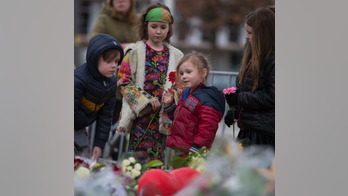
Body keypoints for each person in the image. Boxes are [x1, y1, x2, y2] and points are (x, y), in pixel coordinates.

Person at [115, 3, 184, 162]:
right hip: (140, 116)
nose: (158, 31)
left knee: (157, 162)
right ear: (146, 26)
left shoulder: (177, 56)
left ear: (169, 28)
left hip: (163, 117)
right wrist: (144, 101)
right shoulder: (134, 52)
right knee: (135, 163)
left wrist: (171, 97)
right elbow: (123, 81)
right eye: (154, 26)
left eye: (163, 27)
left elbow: (180, 85)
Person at [89, 0, 140, 159]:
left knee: (120, 129)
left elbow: (146, 44)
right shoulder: (104, 19)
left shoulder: (139, 20)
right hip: (103, 85)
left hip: (129, 86)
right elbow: (94, 41)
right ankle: (91, 160)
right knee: (99, 126)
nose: (120, 1)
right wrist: (122, 46)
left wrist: (133, 47)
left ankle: (115, 161)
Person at [224, 7, 275, 149]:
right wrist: (233, 110)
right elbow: (242, 88)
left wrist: (239, 99)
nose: (246, 36)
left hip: (264, 134)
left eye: (250, 33)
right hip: (248, 129)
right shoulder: (251, 58)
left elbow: (272, 96)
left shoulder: (273, 61)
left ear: (263, 35)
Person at [163, 51, 225, 157]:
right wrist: (169, 106)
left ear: (203, 73)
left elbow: (207, 127)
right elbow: (180, 118)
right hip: (182, 146)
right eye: (181, 73)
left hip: (193, 150)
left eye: (188, 72)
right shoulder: (185, 93)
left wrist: (197, 147)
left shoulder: (207, 99)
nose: (183, 76)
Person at [74, 34, 124, 161]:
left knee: (82, 162)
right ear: (95, 59)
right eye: (108, 61)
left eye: (116, 61)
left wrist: (99, 144)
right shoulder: (79, 79)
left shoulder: (111, 83)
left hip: (80, 129)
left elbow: (106, 116)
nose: (114, 65)